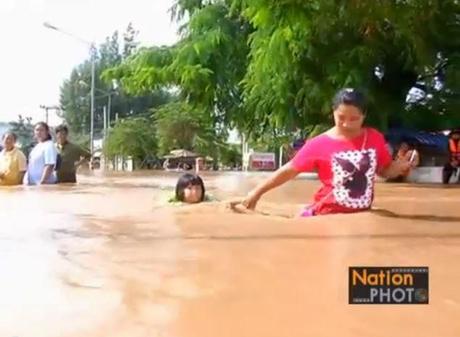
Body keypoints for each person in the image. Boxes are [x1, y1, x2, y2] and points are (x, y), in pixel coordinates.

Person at [232, 88, 412, 217]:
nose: (347, 124)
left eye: (354, 119)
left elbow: (384, 170)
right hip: (326, 216)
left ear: (364, 116)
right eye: (341, 118)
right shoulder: (318, 144)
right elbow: (288, 171)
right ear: (332, 112)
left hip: (363, 215)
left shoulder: (374, 138)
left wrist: (402, 166)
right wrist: (255, 193)